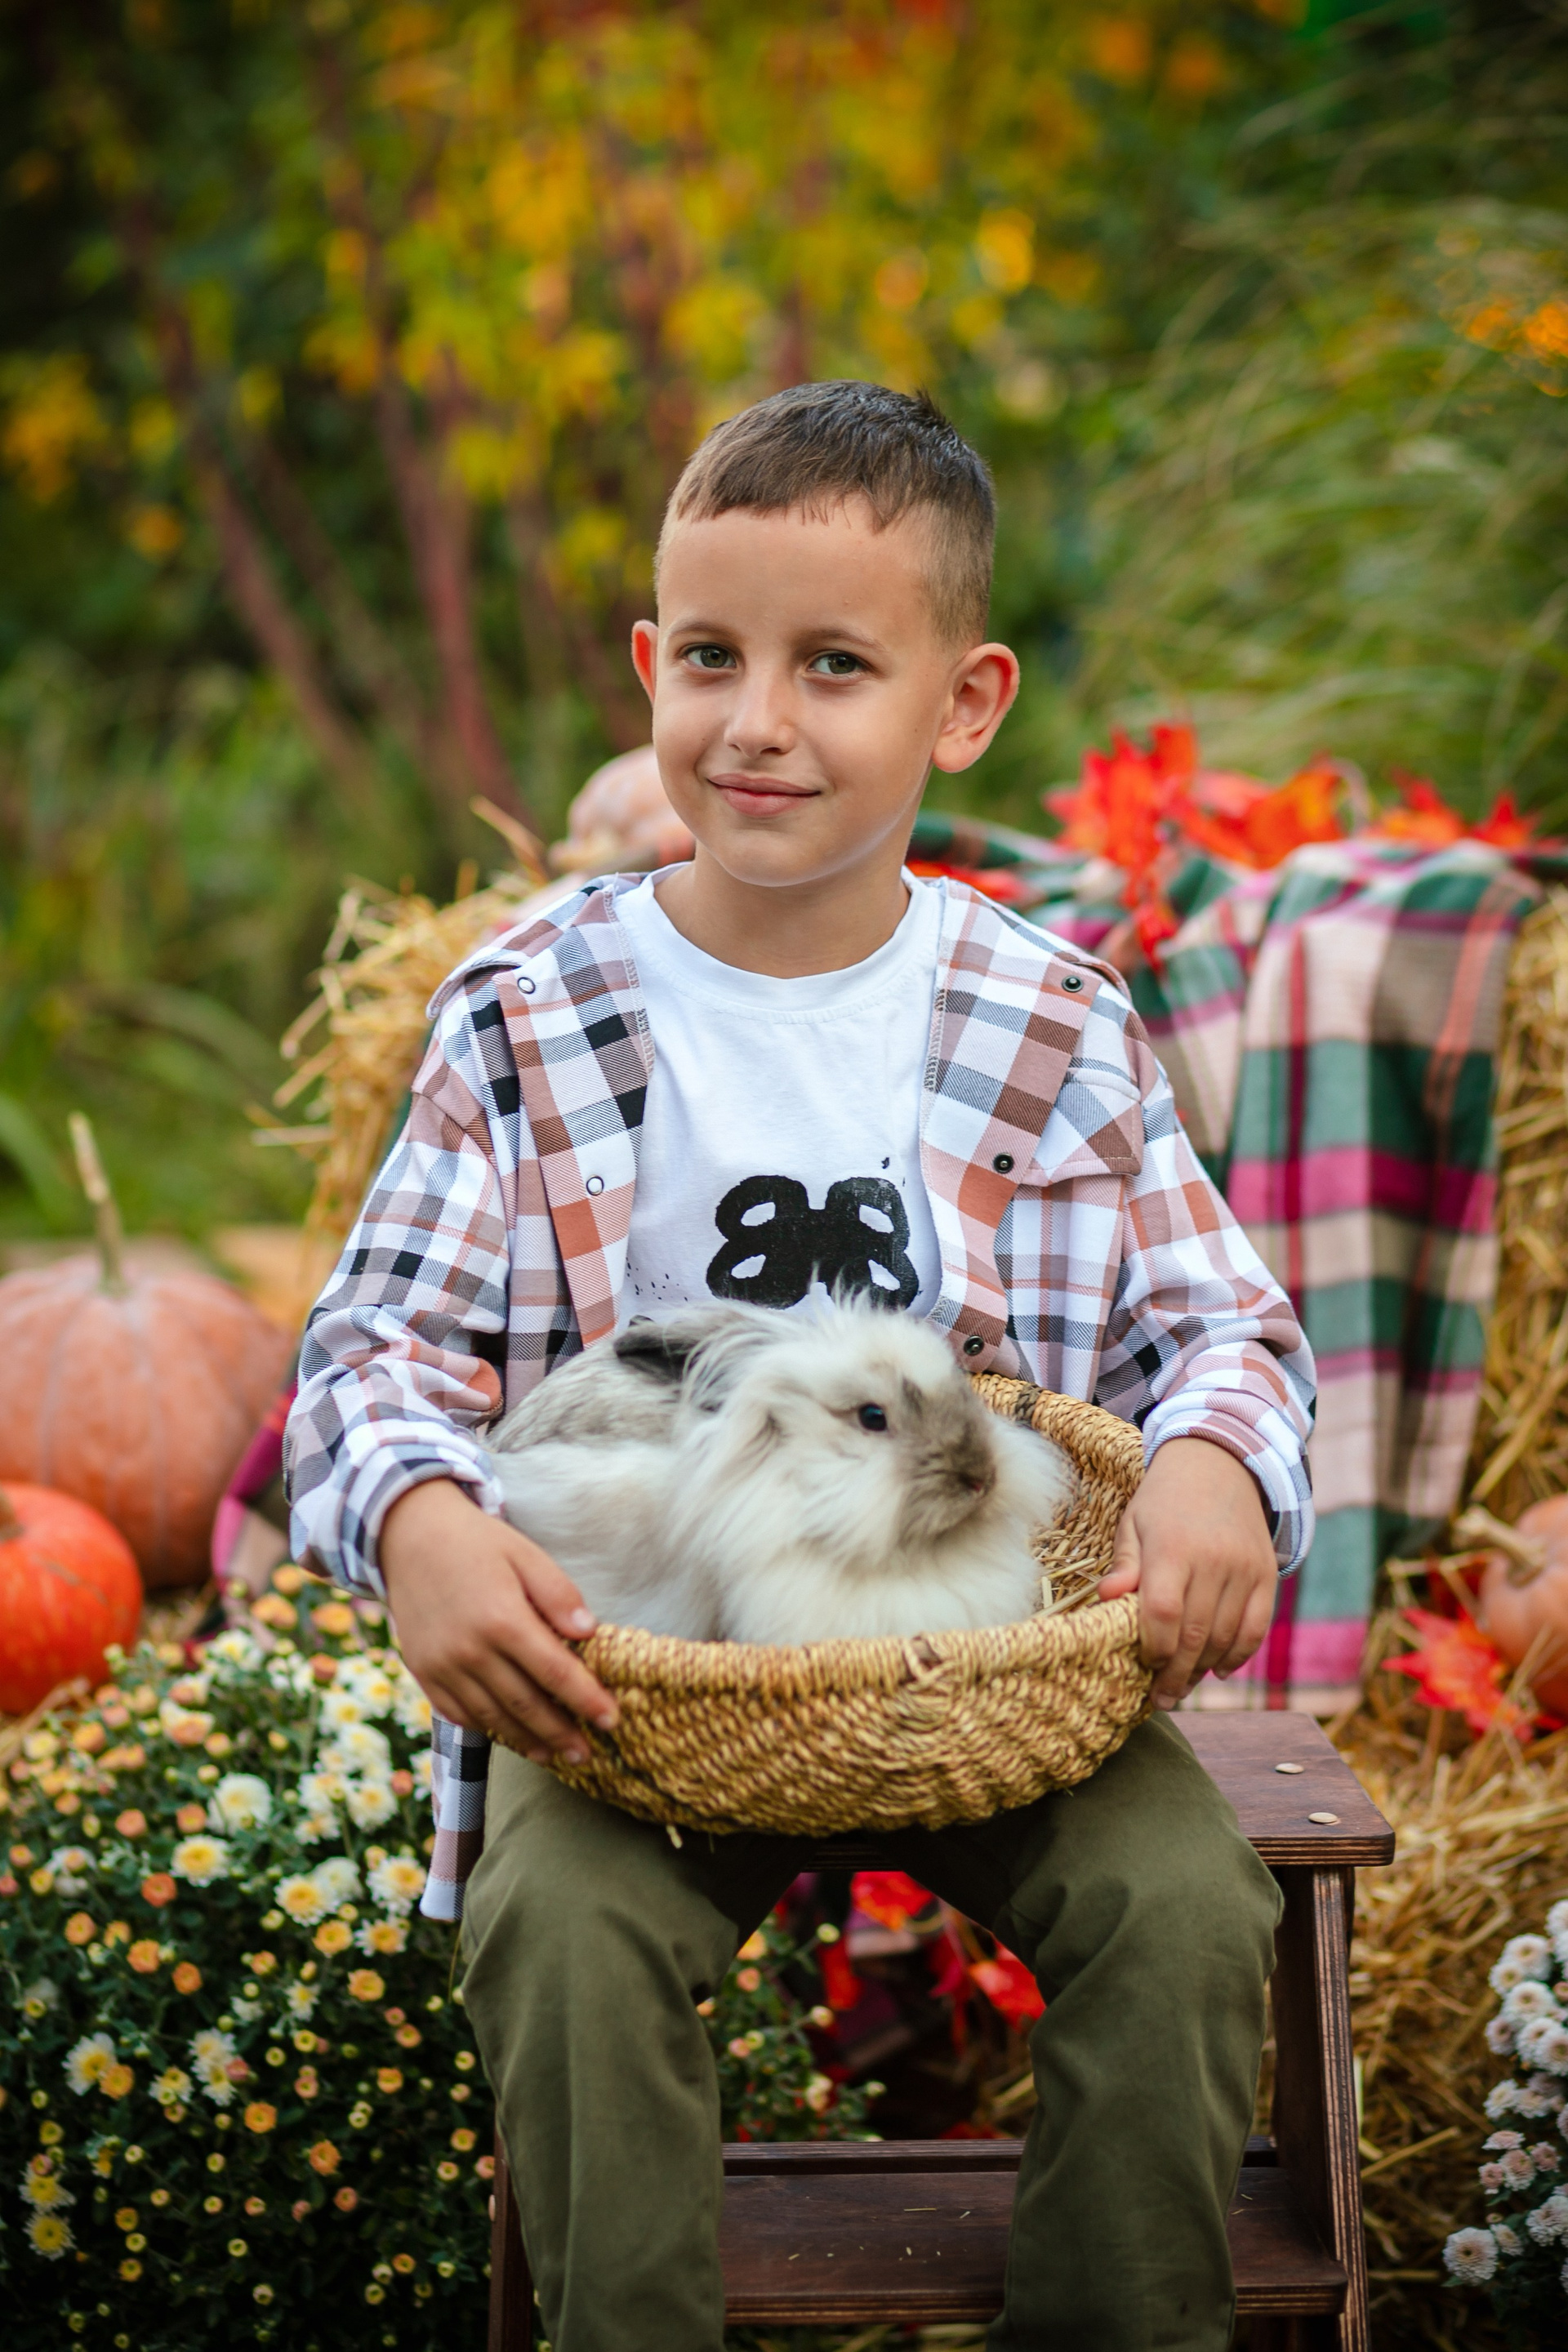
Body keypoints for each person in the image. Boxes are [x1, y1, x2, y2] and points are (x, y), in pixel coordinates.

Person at [285, 380, 1315, 2352]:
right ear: (647, 669)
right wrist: (416, 1516)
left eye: (834, 665)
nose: (756, 720)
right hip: (643, 1687)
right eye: (710, 658)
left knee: (1185, 1908)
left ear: (964, 705)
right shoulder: (529, 1014)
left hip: (984, 1668)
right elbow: (372, 1345)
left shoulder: (1047, 1016)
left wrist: (1213, 1465)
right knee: (564, 1933)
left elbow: (1222, 1329)